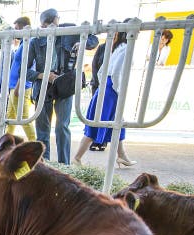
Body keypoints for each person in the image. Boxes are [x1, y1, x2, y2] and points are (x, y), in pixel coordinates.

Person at [26, 8, 97, 164]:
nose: (51, 27)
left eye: (54, 22)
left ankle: (64, 166)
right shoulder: (36, 40)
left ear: (57, 20)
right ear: (43, 25)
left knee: (62, 127)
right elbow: (24, 70)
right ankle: (44, 167)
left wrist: (82, 42)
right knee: (43, 131)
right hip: (43, 86)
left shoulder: (69, 31)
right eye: (47, 25)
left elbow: (93, 40)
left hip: (65, 85)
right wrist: (43, 76)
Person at [73, 27, 136, 168]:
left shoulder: (117, 48)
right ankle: (77, 158)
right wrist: (116, 88)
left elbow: (102, 71)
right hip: (111, 90)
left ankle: (122, 155)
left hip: (107, 88)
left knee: (117, 123)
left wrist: (105, 86)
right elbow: (116, 73)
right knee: (99, 123)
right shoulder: (125, 49)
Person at [3, 16, 36, 140]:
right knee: (10, 117)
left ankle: (34, 146)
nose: (15, 31)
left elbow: (26, 66)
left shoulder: (28, 43)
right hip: (14, 86)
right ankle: (5, 144)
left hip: (20, 86)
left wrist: (18, 86)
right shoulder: (23, 43)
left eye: (17, 28)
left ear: (23, 27)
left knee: (23, 118)